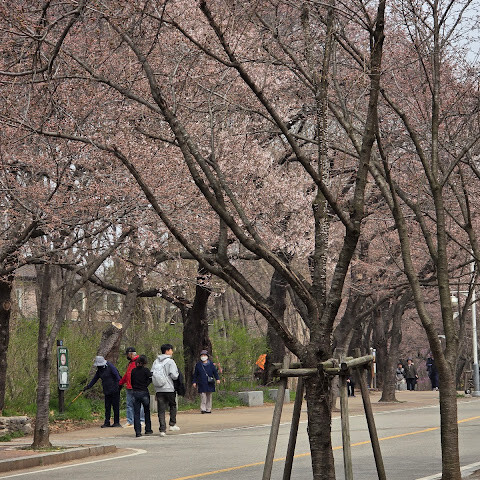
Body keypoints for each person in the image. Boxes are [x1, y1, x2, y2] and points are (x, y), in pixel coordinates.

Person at [83, 356, 122, 428]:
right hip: (107, 390)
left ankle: (116, 422)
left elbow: (117, 377)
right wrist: (88, 386)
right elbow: (95, 379)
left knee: (115, 406)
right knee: (107, 406)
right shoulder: (100, 370)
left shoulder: (110, 367)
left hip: (115, 389)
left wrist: (119, 386)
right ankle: (107, 422)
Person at [151, 343, 180, 436]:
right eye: (171, 350)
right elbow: (174, 376)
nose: (172, 352)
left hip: (159, 389)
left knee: (161, 409)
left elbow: (152, 373)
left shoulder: (156, 361)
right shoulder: (170, 361)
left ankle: (162, 430)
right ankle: (172, 424)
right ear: (167, 351)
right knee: (172, 405)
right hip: (169, 388)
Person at [119, 346, 144, 427]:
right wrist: (120, 383)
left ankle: (141, 420)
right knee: (129, 404)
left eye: (127, 354)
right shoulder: (130, 363)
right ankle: (130, 421)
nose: (127, 356)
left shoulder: (139, 362)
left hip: (137, 387)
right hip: (129, 387)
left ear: (130, 354)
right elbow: (127, 375)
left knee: (139, 404)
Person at [130, 355, 153, 438]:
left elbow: (131, 381)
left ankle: (138, 431)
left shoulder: (133, 371)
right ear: (145, 362)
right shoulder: (146, 370)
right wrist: (146, 384)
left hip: (135, 392)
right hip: (144, 391)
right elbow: (150, 378)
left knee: (136, 413)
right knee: (147, 411)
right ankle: (148, 429)